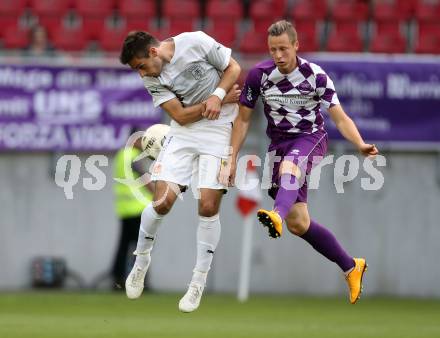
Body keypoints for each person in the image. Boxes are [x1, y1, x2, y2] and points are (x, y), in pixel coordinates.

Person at [220, 20, 378, 304]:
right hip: (278, 145)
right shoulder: (259, 75)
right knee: (299, 223)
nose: (278, 55)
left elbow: (340, 117)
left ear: (296, 46)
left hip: (310, 138)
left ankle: (276, 215)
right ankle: (352, 266)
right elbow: (243, 119)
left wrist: (360, 144)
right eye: (272, 50)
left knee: (291, 171)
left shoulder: (315, 76)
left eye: (283, 49)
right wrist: (231, 158)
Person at [119, 30, 241, 312]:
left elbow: (233, 67)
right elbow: (181, 116)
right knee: (162, 203)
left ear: (153, 52)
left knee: (209, 207)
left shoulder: (195, 41)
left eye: (140, 66)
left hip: (219, 129)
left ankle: (197, 282)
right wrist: (219, 99)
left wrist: (218, 94)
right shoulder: (152, 78)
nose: (141, 74)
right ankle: (141, 261)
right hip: (184, 131)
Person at [112, 128, 154, 289]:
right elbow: (145, 179)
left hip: (125, 209)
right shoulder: (133, 156)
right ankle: (139, 282)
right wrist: (159, 195)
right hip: (139, 209)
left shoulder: (121, 155)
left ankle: (118, 279)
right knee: (142, 249)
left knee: (123, 246)